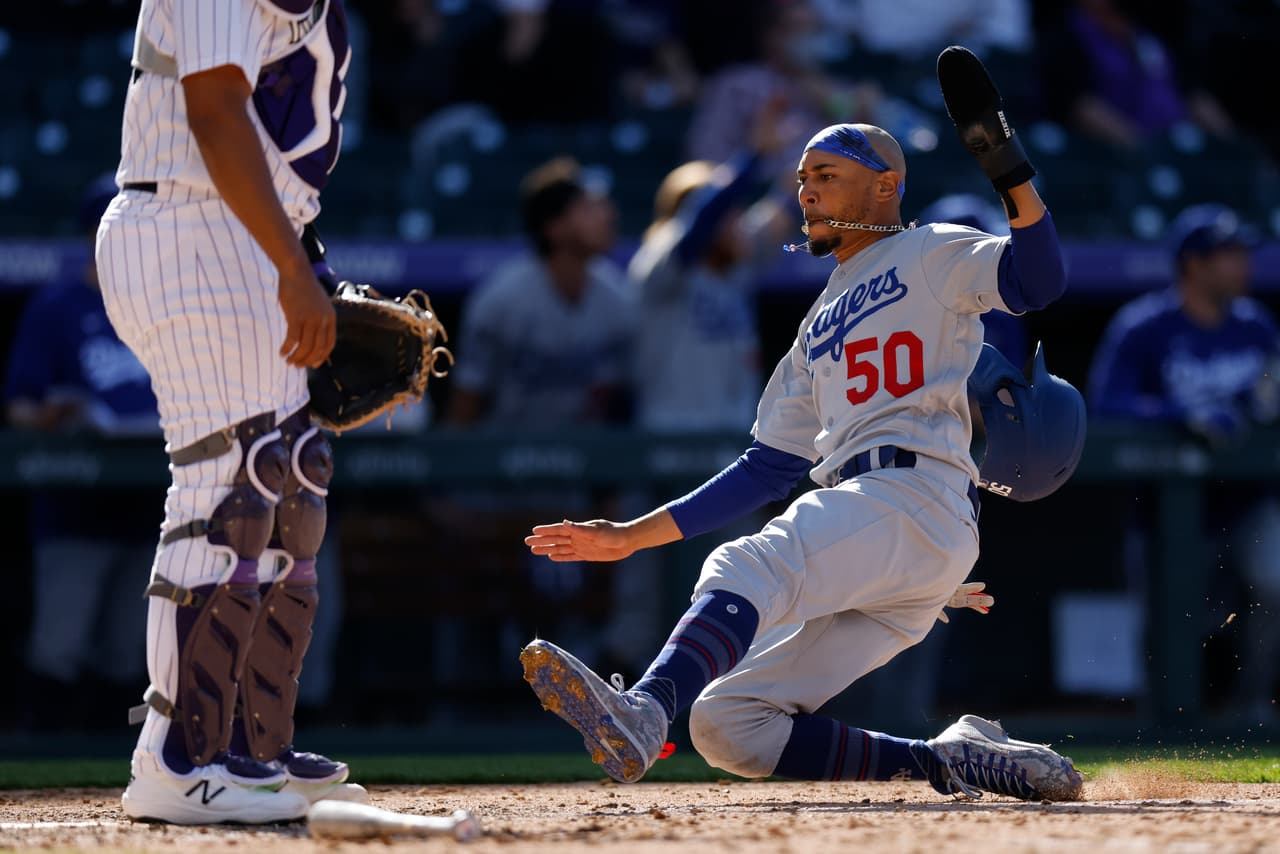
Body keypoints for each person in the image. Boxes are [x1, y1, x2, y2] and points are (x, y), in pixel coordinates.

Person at [518, 47, 1084, 801]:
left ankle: (646, 710)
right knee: (728, 725)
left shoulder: (930, 249)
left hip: (910, 494)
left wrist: (1007, 170)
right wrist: (628, 537)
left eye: (827, 175)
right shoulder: (815, 324)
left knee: (742, 564)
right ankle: (947, 761)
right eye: (802, 179)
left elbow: (1039, 280)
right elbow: (765, 468)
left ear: (885, 186)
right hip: (884, 523)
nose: (808, 191)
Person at [95, 0, 363, 824]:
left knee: (291, 480)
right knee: (232, 481)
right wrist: (291, 268)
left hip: (246, 233)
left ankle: (251, 749)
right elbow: (214, 110)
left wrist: (301, 260)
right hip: (187, 222)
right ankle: (177, 758)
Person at [1088, 203, 1280, 721]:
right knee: (1168, 621)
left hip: (1247, 502)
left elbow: (1267, 397)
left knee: (1274, 580)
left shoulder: (1256, 326)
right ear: (1194, 264)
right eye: (1230, 255)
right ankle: (1165, 724)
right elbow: (1106, 403)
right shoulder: (1145, 326)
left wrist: (1253, 405)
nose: (1244, 265)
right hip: (1166, 514)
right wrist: (1181, 413)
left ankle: (1250, 706)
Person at [5, 176, 160, 731]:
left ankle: (119, 762)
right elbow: (19, 405)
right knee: (60, 644)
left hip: (149, 506)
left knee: (130, 650)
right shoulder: (57, 307)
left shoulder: (161, 309)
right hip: (75, 507)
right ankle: (44, 752)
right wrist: (54, 416)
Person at [629, 97, 793, 434]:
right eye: (728, 214)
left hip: (733, 437)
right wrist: (754, 157)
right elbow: (703, 220)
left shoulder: (737, 262)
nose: (738, 221)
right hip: (669, 436)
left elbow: (790, 202)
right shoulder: (663, 264)